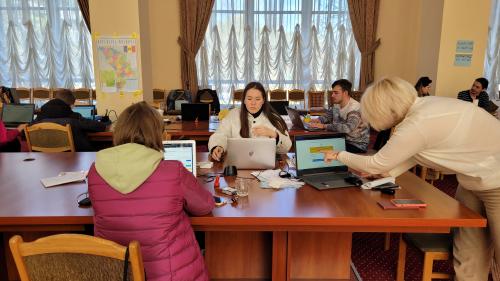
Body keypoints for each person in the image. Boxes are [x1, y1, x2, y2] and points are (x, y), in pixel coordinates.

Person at [322, 77, 500, 281]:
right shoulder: (425, 107)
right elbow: (418, 152)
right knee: (468, 253)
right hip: (471, 180)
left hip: (496, 178)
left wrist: (338, 155)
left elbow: (376, 163)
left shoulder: (417, 123)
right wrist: (390, 172)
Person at [88, 102, 214, 281]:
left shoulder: (95, 171)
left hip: (118, 271)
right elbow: (205, 206)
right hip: (170, 273)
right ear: (159, 133)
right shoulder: (173, 170)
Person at [209, 81, 292, 161]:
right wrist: (217, 146)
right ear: (244, 100)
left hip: (266, 168)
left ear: (263, 100)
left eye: (257, 99)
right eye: (249, 99)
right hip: (237, 165)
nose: (253, 103)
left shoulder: (273, 118)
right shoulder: (233, 115)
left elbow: (286, 147)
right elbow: (220, 134)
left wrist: (274, 135)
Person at [308, 79, 370, 153]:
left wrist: (324, 126)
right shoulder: (337, 104)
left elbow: (347, 128)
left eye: (336, 93)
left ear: (345, 93)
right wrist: (318, 120)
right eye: (333, 92)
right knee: (315, 146)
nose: (332, 95)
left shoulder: (355, 108)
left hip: (356, 145)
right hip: (341, 139)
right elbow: (328, 116)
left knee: (321, 150)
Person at [34, 89, 107, 151]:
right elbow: (99, 127)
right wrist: (106, 125)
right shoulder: (74, 117)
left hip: (45, 161)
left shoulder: (39, 118)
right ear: (70, 105)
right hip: (73, 160)